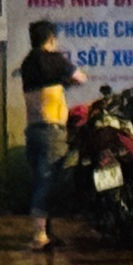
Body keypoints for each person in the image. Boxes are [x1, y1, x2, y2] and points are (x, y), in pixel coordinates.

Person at [19, 20, 85, 250]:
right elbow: (80, 77)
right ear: (50, 39)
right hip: (52, 130)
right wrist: (66, 82)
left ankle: (46, 231)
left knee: (40, 179)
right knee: (46, 182)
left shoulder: (28, 63)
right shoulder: (54, 59)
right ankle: (39, 236)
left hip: (33, 130)